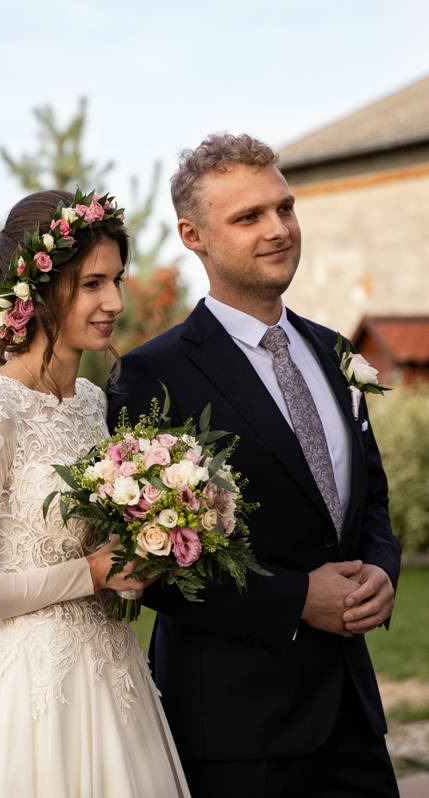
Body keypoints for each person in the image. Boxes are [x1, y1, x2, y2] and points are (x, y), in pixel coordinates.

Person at [107, 134, 401, 798]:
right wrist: (296, 599)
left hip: (353, 719)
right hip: (235, 735)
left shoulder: (334, 351)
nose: (277, 229)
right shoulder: (150, 375)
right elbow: (141, 564)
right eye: (248, 217)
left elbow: (369, 501)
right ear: (193, 235)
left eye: (284, 208)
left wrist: (381, 571)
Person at [0, 189, 191, 798]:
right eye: (93, 283)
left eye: (117, 280)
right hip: (32, 690)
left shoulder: (93, 402)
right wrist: (91, 573)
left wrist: (155, 538)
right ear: (40, 287)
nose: (115, 302)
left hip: (116, 676)